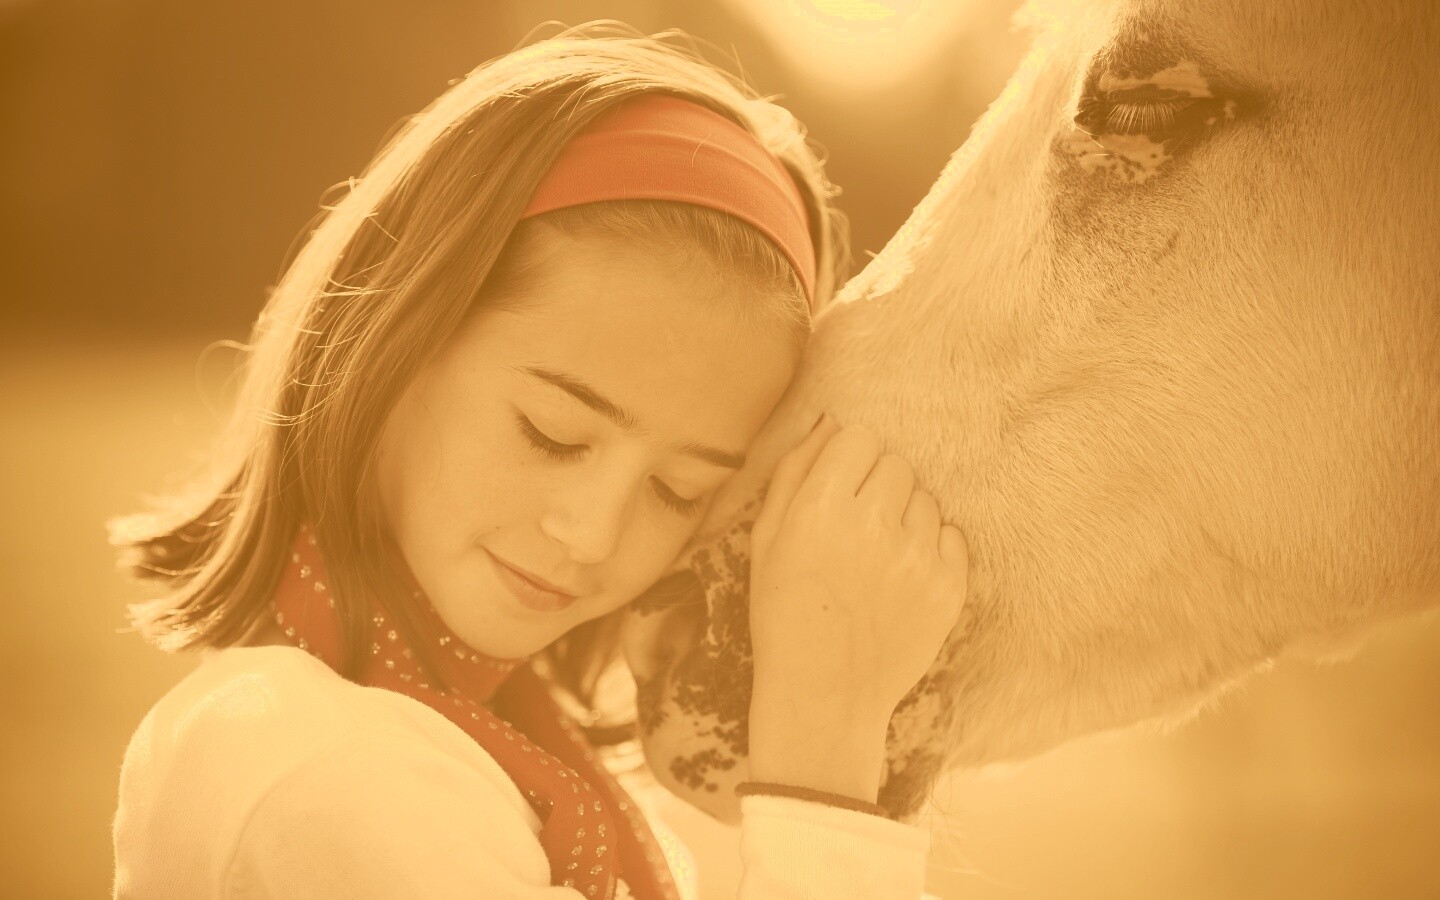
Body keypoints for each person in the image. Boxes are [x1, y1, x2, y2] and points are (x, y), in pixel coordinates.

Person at [109, 24, 967, 900]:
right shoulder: (318, 769)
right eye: (552, 434)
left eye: (679, 491)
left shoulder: (489, 742)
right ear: (393, 341)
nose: (591, 535)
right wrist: (825, 760)